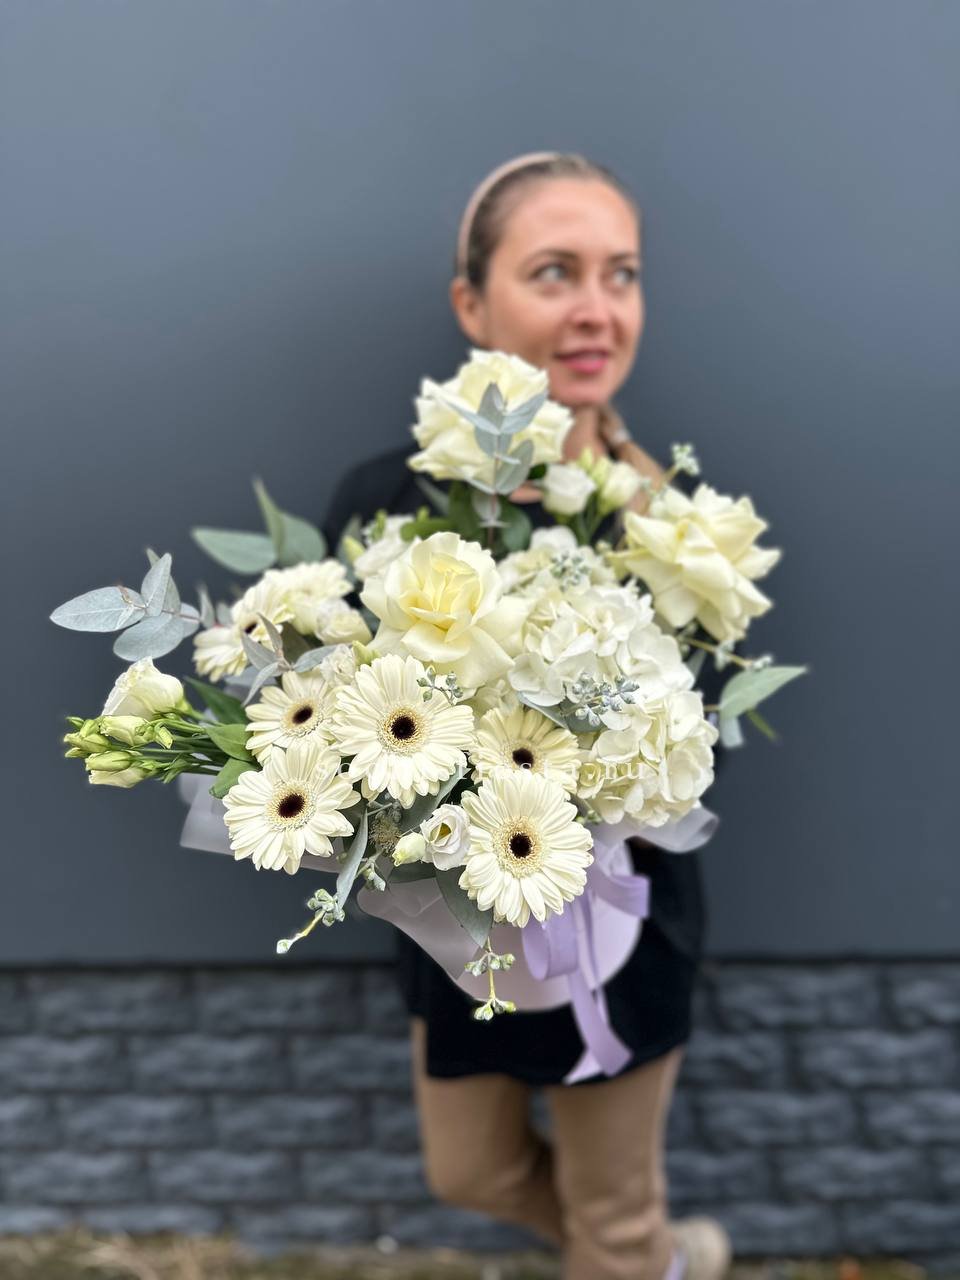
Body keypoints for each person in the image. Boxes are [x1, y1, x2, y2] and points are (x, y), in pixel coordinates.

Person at [323, 152, 733, 1280]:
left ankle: (637, 1253)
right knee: (468, 1170)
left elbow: (707, 755)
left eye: (622, 273)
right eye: (555, 272)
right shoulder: (386, 502)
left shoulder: (677, 529)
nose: (597, 309)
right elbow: (334, 718)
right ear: (473, 303)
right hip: (460, 928)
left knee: (610, 1216)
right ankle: (668, 1259)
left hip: (619, 934)